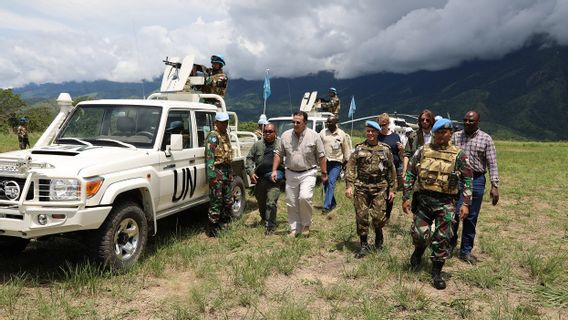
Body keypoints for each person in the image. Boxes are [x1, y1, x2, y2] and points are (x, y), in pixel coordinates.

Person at [402, 118, 472, 290]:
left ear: (451, 134)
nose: (441, 135)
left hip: (446, 202)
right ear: (434, 133)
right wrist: (406, 197)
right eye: (438, 132)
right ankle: (419, 251)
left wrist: (466, 203)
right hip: (424, 200)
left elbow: (468, 179)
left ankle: (436, 271)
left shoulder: (459, 154)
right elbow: (410, 173)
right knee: (419, 234)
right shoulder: (423, 150)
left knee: (443, 238)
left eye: (444, 132)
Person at [450, 111, 500, 264]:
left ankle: (465, 251)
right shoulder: (455, 136)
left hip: (477, 179)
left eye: (471, 121)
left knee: (470, 217)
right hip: (457, 178)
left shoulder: (486, 139)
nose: (467, 123)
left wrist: (494, 185)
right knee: (453, 215)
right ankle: (449, 247)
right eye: (465, 120)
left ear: (478, 122)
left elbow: (492, 163)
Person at [345, 121, 396, 258]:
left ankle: (379, 235)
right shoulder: (359, 148)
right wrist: (349, 186)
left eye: (373, 131)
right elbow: (350, 167)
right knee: (361, 216)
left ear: (378, 132)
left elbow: (391, 170)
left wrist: (392, 189)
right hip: (362, 187)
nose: (370, 134)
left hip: (380, 188)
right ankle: (363, 244)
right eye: (368, 131)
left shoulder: (385, 149)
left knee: (378, 217)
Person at [272, 111, 327, 237]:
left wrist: (324, 173)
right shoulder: (285, 136)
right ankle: (294, 228)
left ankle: (306, 225)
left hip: (308, 172)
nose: (295, 124)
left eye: (298, 122)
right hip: (290, 173)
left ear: (305, 123)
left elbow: (322, 156)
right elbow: (278, 154)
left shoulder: (314, 136)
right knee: (291, 201)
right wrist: (274, 170)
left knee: (304, 197)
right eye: (293, 122)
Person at [246, 123, 284, 235]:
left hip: (274, 178)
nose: (267, 133)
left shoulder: (281, 144)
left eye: (270, 131)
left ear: (275, 133)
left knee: (271, 203)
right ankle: (264, 218)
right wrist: (251, 172)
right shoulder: (258, 145)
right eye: (265, 131)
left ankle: (270, 225)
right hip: (260, 178)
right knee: (261, 202)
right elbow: (249, 158)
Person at [205, 112, 234, 237]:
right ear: (216, 123)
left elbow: (228, 156)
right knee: (216, 201)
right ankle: (213, 228)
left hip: (226, 172)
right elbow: (209, 157)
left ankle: (224, 223)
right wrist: (212, 176)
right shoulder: (213, 136)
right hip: (217, 172)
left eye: (226, 122)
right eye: (222, 122)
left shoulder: (225, 135)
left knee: (227, 199)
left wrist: (231, 173)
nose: (225, 125)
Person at [319, 115, 351, 214]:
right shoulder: (322, 133)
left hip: (336, 162)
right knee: (325, 183)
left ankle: (326, 206)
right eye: (327, 122)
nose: (328, 124)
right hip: (325, 162)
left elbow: (346, 149)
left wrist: (346, 162)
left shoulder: (342, 134)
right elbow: (318, 146)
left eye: (330, 122)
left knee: (331, 182)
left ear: (335, 123)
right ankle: (333, 203)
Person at [377, 113, 405, 221]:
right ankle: (379, 213)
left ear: (388, 123)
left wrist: (401, 149)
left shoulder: (395, 136)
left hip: (393, 169)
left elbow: (401, 154)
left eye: (384, 124)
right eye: (380, 125)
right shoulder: (377, 136)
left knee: (391, 193)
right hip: (379, 169)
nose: (382, 127)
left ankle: (387, 215)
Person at [403, 109, 435, 178]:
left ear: (431, 121)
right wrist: (404, 171)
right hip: (415, 170)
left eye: (427, 120)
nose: (424, 122)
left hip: (432, 170)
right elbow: (406, 154)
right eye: (422, 120)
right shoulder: (413, 136)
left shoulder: (436, 136)